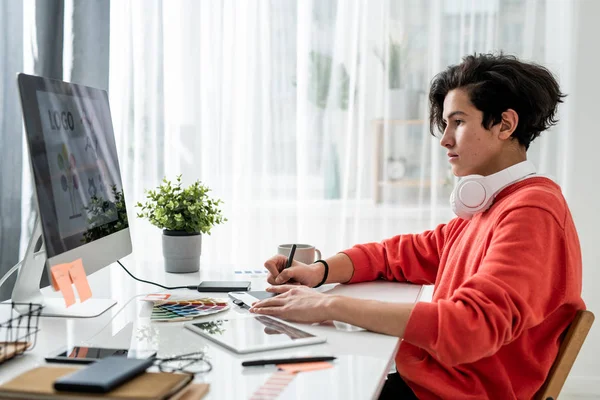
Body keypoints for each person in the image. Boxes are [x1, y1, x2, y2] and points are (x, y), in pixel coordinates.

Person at [249, 53, 586, 400]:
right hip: (429, 385)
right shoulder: (492, 206)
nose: (445, 140)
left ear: (504, 124)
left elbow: (470, 328)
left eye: (458, 122)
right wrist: (319, 272)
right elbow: (398, 254)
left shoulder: (532, 213)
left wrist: (328, 306)